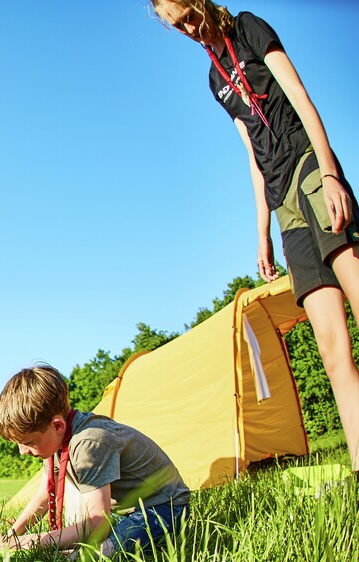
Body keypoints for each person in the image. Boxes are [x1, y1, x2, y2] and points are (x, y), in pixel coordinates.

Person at [150, 1, 359, 473]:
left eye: (186, 16)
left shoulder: (247, 28)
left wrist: (329, 173)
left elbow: (301, 97)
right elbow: (252, 151)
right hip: (282, 200)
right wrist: (262, 232)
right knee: (329, 346)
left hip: (307, 167)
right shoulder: (213, 79)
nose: (186, 29)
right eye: (174, 26)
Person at [0, 365, 190, 556]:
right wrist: (12, 536)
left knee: (90, 558)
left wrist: (40, 540)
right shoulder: (54, 442)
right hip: (128, 512)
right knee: (75, 549)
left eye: (27, 442)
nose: (22, 451)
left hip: (164, 509)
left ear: (57, 425)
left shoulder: (89, 442)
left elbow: (98, 523)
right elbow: (44, 496)